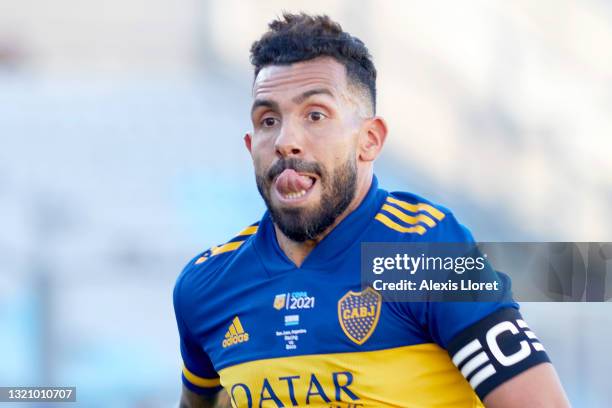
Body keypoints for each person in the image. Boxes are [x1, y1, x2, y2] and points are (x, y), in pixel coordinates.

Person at [174, 13, 570, 408]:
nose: (285, 140)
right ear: (250, 145)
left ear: (369, 140)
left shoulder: (423, 255)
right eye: (268, 120)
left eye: (315, 115)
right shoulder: (207, 286)